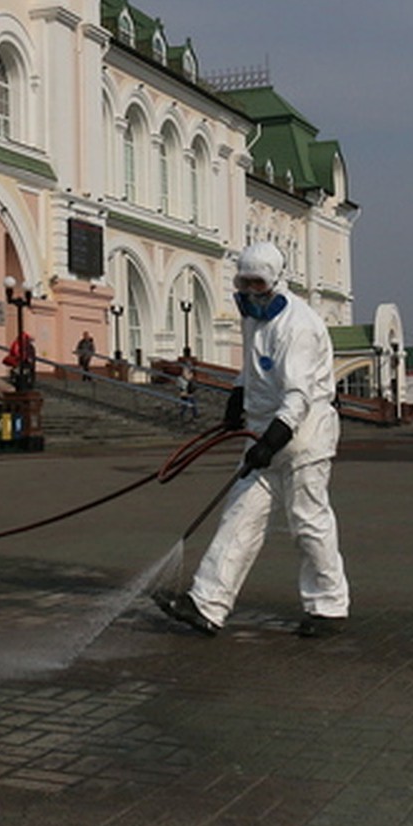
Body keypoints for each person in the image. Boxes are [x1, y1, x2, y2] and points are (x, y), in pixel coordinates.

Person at [164, 242, 350, 639]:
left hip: (305, 434)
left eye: (257, 284)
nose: (250, 292)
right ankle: (207, 604)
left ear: (277, 281)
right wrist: (236, 400)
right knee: (240, 514)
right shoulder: (254, 317)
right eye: (244, 283)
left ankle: (328, 605)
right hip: (263, 429)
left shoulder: (298, 325)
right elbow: (252, 368)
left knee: (307, 520)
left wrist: (271, 443)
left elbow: (297, 397)